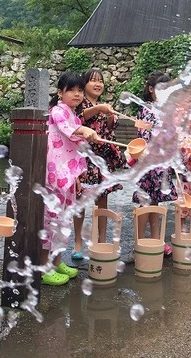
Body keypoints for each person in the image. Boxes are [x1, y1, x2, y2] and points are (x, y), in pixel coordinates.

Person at [41, 71, 99, 286]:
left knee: (63, 221)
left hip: (67, 176)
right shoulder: (57, 111)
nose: (76, 94)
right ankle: (44, 268)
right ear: (60, 92)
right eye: (71, 90)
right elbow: (69, 131)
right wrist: (84, 129)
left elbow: (73, 145)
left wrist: (76, 177)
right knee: (51, 221)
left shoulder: (72, 113)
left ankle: (56, 262)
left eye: (79, 90)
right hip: (55, 177)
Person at [72, 68, 124, 259]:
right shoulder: (79, 103)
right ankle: (78, 242)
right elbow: (80, 118)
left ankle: (101, 240)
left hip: (102, 159)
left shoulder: (105, 105)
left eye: (100, 81)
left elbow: (111, 127)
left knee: (102, 200)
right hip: (83, 158)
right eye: (93, 80)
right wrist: (100, 108)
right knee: (80, 200)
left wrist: (110, 116)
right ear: (84, 85)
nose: (97, 84)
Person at [132, 71, 177, 253]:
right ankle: (140, 241)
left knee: (156, 202)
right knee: (145, 202)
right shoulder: (146, 109)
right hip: (147, 163)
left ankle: (157, 239)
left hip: (161, 164)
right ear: (151, 89)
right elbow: (143, 138)